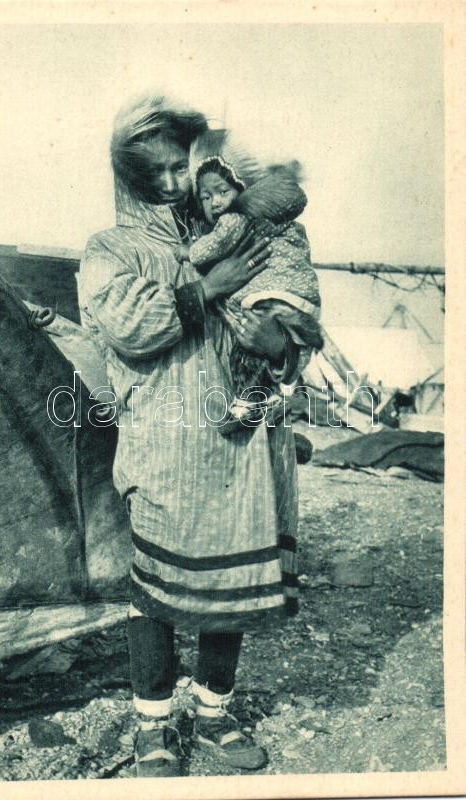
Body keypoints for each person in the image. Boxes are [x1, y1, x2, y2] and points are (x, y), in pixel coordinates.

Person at [78, 95, 314, 778]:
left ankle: (213, 712)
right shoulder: (113, 248)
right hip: (166, 443)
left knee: (233, 581)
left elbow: (289, 304)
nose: (176, 183)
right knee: (154, 588)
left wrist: (281, 343)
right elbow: (127, 327)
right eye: (156, 173)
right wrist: (203, 289)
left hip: (241, 444)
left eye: (183, 165)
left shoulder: (237, 228)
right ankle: (153, 723)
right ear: (132, 178)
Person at [179, 129, 323, 425]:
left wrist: (188, 252)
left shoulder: (235, 219)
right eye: (206, 197)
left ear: (242, 190)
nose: (215, 202)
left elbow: (213, 245)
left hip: (269, 298)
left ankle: (253, 403)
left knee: (247, 354)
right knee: (250, 356)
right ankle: (259, 401)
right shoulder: (255, 220)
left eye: (222, 192)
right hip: (292, 298)